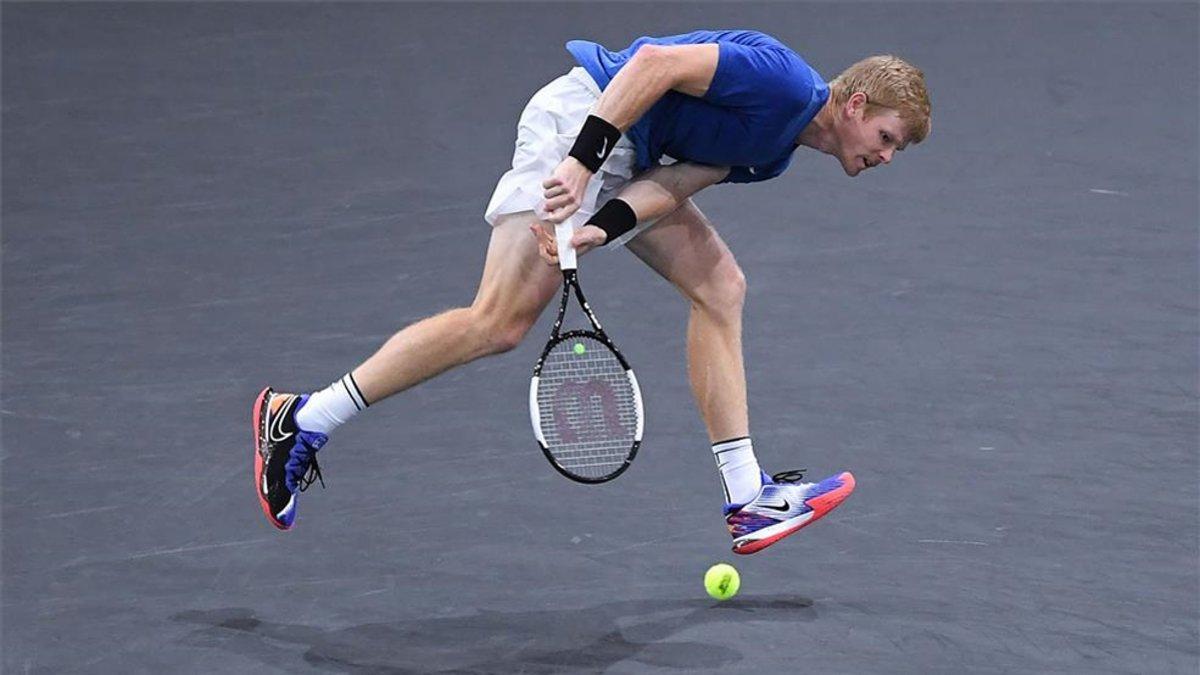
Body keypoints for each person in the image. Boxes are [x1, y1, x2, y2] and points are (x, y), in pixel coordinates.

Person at [253, 29, 931, 554]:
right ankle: (302, 419)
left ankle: (748, 494)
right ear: (856, 104)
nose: (885, 157)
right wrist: (581, 163)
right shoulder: (781, 82)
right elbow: (652, 66)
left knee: (720, 286)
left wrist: (597, 231)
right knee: (498, 321)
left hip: (627, 158)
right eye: (886, 138)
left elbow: (674, 186)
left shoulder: (775, 148)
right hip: (584, 121)